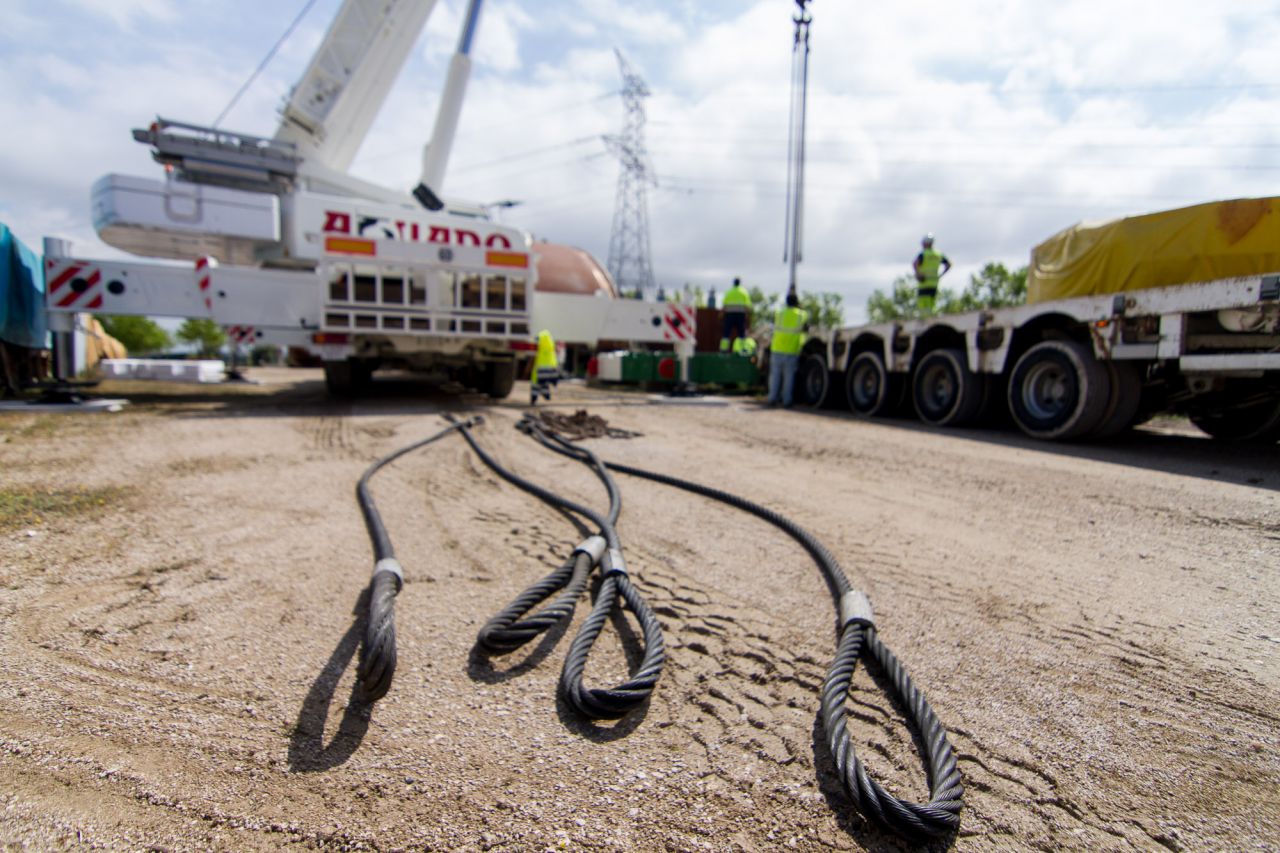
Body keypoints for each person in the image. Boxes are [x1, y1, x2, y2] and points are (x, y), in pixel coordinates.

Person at [765, 291, 808, 408]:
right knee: (789, 378)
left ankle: (772, 398)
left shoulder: (779, 313)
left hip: (777, 349)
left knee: (775, 376)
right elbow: (806, 327)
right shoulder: (801, 315)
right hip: (792, 350)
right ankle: (787, 401)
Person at [912, 233, 952, 313]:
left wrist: (918, 273)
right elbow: (948, 264)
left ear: (926, 243)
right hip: (934, 283)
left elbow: (915, 264)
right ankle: (931, 319)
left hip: (924, 283)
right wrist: (941, 275)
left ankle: (925, 322)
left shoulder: (923, 254)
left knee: (923, 305)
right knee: (932, 305)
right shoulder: (938, 254)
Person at [720, 277, 752, 352]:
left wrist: (721, 314)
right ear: (739, 283)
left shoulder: (729, 292)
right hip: (740, 315)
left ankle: (723, 350)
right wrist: (748, 315)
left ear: (733, 283)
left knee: (726, 333)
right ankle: (742, 349)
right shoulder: (744, 292)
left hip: (729, 315)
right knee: (741, 333)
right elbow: (747, 306)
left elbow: (724, 305)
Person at [530, 329, 560, 405]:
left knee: (536, 383)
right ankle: (546, 395)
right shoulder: (551, 349)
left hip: (540, 371)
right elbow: (555, 362)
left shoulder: (541, 349)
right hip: (550, 372)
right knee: (544, 383)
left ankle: (535, 397)